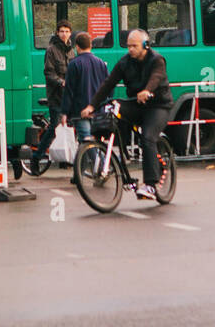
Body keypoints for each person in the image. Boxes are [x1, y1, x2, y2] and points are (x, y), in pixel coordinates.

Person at [82, 28, 172, 200]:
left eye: (134, 46)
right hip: (137, 104)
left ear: (146, 45)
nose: (130, 49)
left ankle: (151, 185)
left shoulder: (157, 60)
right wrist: (91, 106)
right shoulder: (125, 62)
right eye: (128, 46)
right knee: (113, 109)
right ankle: (116, 153)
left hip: (158, 106)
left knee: (147, 138)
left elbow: (157, 77)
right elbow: (108, 83)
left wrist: (147, 90)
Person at [58, 31, 109, 183]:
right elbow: (108, 86)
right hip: (98, 109)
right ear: (91, 45)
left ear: (77, 47)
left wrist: (64, 112)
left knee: (86, 142)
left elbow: (69, 91)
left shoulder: (74, 64)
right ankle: (78, 175)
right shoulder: (101, 62)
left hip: (80, 111)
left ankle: (101, 169)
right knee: (88, 142)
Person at [29, 21, 73, 175]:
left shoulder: (71, 51)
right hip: (56, 96)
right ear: (57, 33)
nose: (64, 34)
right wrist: (61, 82)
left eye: (67, 31)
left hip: (69, 97)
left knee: (70, 127)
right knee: (54, 128)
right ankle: (36, 157)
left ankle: (66, 159)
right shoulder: (51, 50)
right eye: (61, 31)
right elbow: (48, 72)